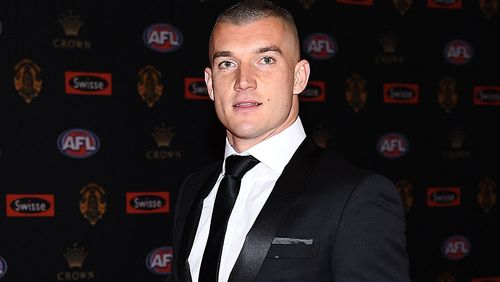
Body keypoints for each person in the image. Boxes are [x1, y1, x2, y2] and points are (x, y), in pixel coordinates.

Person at [171, 1, 411, 281]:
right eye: (227, 63)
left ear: (299, 77)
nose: (243, 81)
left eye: (266, 60)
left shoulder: (356, 197)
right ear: (211, 84)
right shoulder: (193, 189)